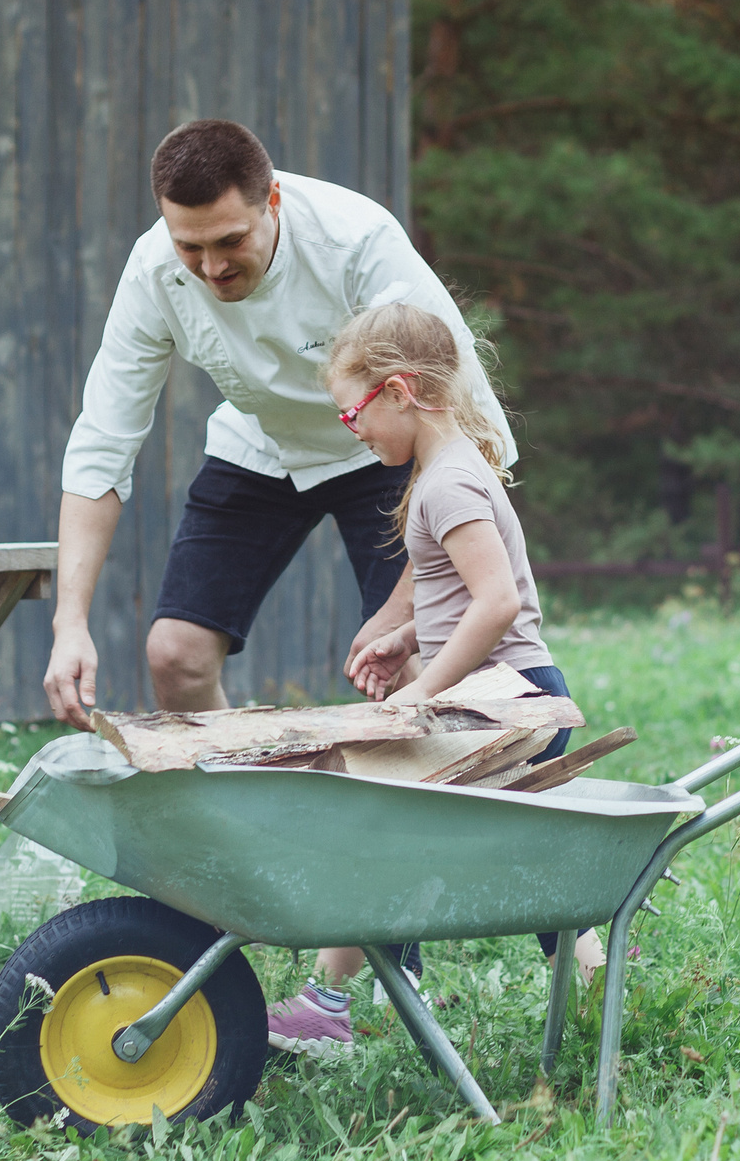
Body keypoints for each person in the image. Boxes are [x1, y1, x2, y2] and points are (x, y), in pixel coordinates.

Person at [43, 119, 513, 729]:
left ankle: (435, 789)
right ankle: (244, 795)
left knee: (406, 660)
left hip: (386, 449)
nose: (211, 267)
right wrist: (70, 623)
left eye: (230, 240)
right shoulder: (152, 272)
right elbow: (103, 444)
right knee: (176, 655)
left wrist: (403, 607)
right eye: (190, 247)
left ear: (273, 199)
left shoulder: (358, 241)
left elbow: (467, 415)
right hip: (260, 443)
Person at [260, 303, 606, 1058]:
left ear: (400, 389)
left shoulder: (447, 483)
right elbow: (466, 596)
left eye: (352, 411)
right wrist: (405, 637)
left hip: (505, 700)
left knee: (377, 824)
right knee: (526, 854)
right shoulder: (452, 469)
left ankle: (327, 1005)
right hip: (519, 692)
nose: (352, 428)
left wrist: (425, 691)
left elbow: (498, 602)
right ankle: (602, 991)